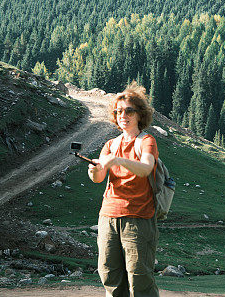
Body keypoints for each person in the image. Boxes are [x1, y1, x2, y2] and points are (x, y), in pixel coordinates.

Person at [88, 82, 160, 297]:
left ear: (140, 114)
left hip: (138, 217)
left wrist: (117, 160)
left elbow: (146, 168)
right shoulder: (110, 144)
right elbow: (98, 178)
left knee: (140, 278)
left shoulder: (146, 141)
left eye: (129, 110)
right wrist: (94, 170)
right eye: (118, 111)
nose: (123, 115)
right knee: (108, 273)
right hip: (108, 216)